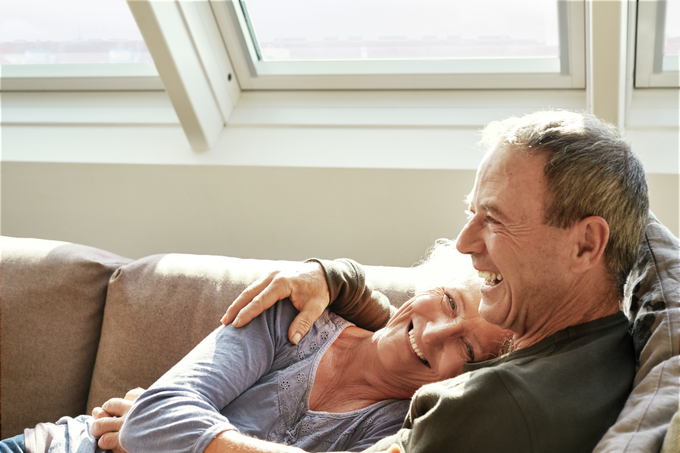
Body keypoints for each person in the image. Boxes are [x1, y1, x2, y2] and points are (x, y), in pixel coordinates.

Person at [219, 110, 650, 452]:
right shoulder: (614, 343)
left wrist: (176, 424)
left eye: (495, 219)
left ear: (586, 244)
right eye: (472, 212)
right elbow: (418, 340)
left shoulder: (486, 407)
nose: (463, 243)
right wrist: (339, 280)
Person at [1, 246, 510, 453]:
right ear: (424, 289)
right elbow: (153, 418)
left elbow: (154, 425)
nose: (438, 332)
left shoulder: (401, 431)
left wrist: (176, 435)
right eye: (446, 301)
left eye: (466, 348)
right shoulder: (292, 316)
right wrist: (153, 428)